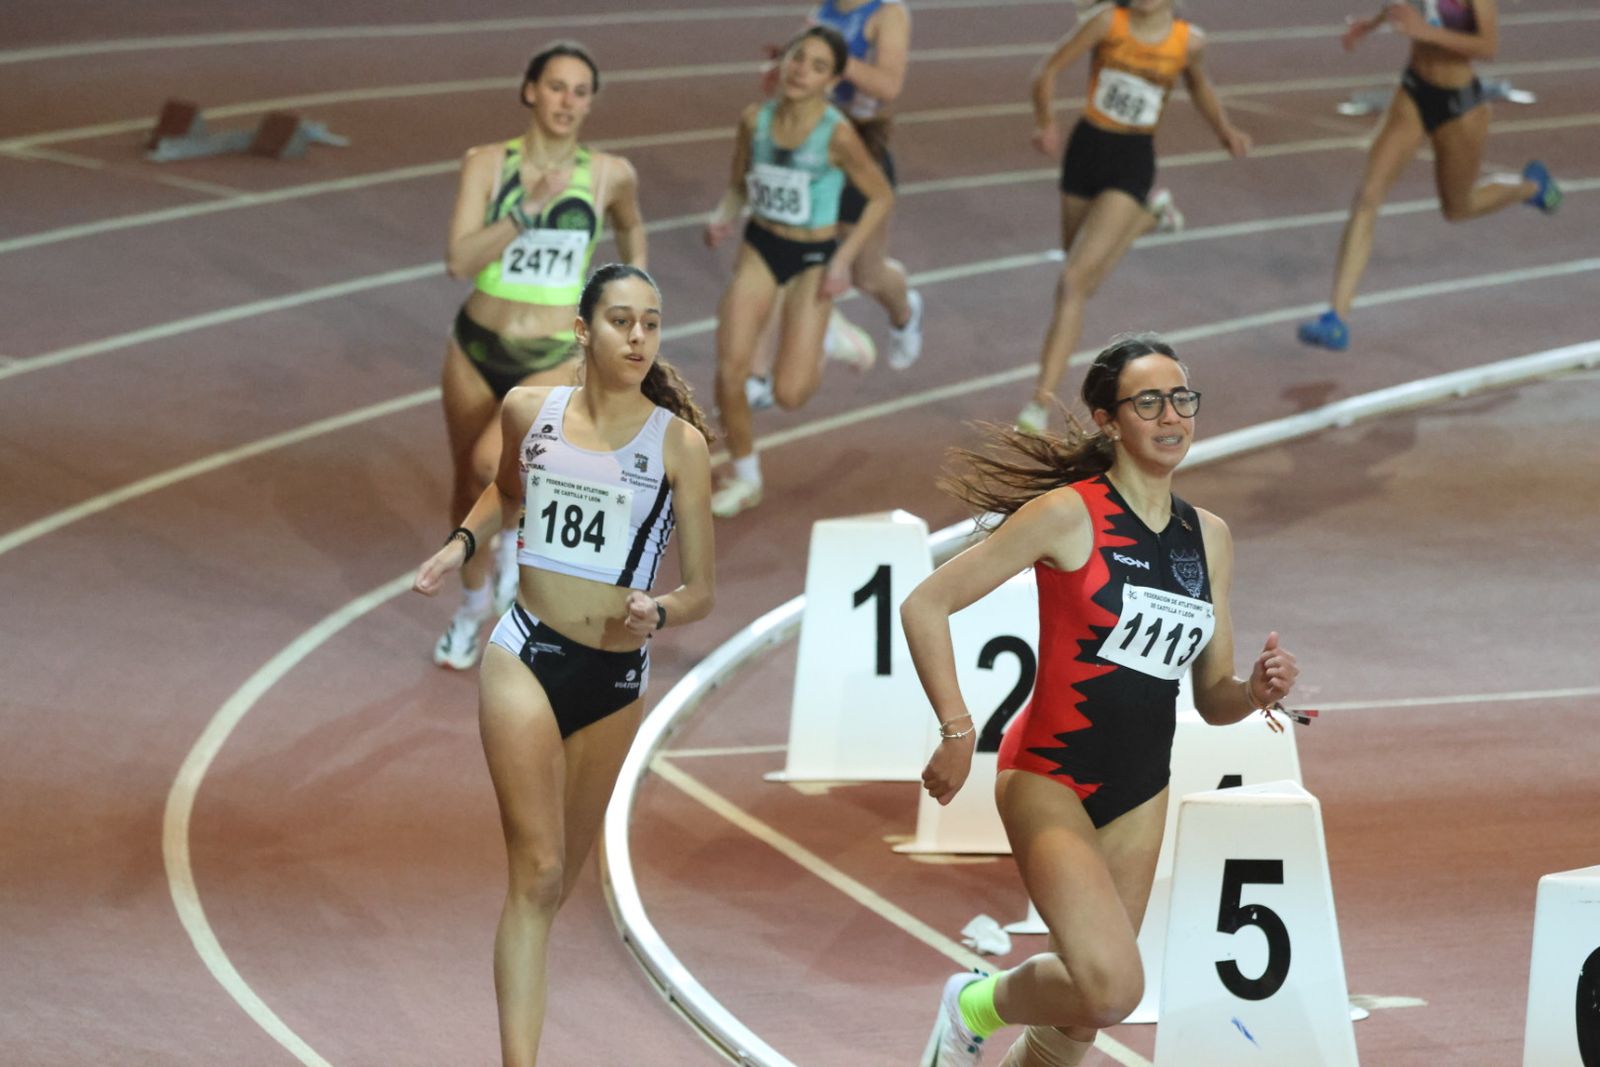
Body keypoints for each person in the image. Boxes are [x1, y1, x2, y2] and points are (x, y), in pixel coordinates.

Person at [900, 334, 1304, 1067]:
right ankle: (973, 1003)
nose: (1171, 415)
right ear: (1107, 421)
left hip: (1141, 787)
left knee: (1081, 1017)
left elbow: (1213, 698)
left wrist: (1254, 690)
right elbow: (925, 603)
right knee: (1112, 987)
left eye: (1181, 398)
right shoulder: (1068, 514)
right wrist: (957, 730)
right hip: (1050, 773)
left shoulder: (1209, 537)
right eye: (1148, 402)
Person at [413, 264, 713, 1067]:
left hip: (615, 681)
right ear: (583, 330)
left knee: (558, 885)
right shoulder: (528, 410)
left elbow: (702, 591)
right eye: (621, 321)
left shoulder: (679, 446)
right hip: (527, 654)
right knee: (536, 868)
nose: (638, 337)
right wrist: (460, 546)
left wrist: (662, 610)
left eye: (651, 322)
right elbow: (505, 492)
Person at [433, 40, 647, 670]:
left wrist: (632, 292)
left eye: (580, 92)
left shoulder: (609, 174)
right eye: (556, 87)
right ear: (530, 91)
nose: (567, 102)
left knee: (490, 465)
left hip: (554, 352)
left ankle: (511, 546)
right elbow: (459, 261)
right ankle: (472, 606)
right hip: (476, 346)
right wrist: (525, 211)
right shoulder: (486, 165)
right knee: (464, 484)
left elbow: (631, 226)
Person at [1016, 0, 1249, 435]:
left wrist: (1224, 130)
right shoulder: (1107, 22)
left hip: (1132, 160)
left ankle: (1037, 405)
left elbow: (1199, 85)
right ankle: (1148, 218)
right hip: (1085, 152)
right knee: (1083, 282)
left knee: (1071, 283)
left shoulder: (1188, 43)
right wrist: (1045, 121)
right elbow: (1045, 71)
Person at [704, 25, 894, 517]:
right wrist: (724, 216)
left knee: (789, 394)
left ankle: (829, 334)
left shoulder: (837, 133)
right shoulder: (755, 119)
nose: (801, 71)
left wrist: (843, 260)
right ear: (783, 61)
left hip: (812, 260)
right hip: (761, 247)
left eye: (817, 66)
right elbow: (739, 184)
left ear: (832, 81)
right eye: (797, 58)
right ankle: (746, 476)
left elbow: (880, 197)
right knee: (730, 370)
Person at [1296, 0, 1562, 350]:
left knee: (1458, 208)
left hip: (1460, 106)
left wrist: (1425, 32)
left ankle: (1531, 187)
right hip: (1413, 90)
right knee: (1368, 196)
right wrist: (1371, 24)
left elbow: (1488, 46)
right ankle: (1336, 319)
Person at [745, 0, 924, 411]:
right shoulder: (825, 8)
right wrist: (789, 63)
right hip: (810, 145)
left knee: (869, 275)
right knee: (781, 253)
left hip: (859, 148)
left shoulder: (887, 13)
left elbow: (888, 86)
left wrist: (830, 60)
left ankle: (904, 312)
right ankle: (757, 377)